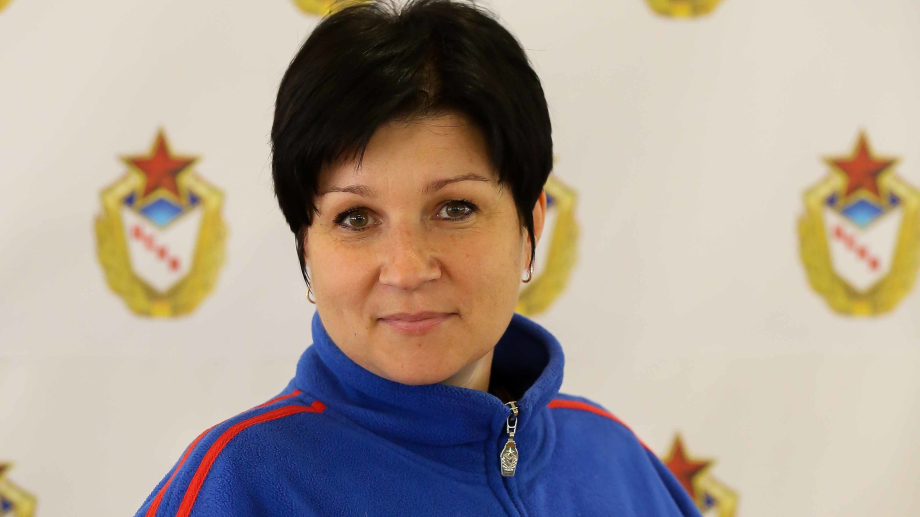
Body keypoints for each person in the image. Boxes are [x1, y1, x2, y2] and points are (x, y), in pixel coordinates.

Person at [133, 1, 701, 515]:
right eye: (356, 218)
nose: (406, 270)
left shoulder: (617, 461)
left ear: (530, 226)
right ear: (305, 245)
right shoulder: (238, 487)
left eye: (455, 208)